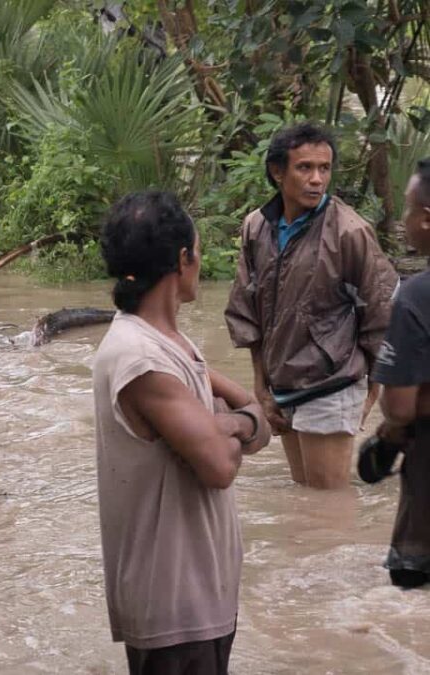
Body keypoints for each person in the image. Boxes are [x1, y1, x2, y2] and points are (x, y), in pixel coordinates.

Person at [93, 191, 269, 675]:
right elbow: (220, 466)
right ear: (181, 260)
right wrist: (239, 425)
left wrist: (230, 422)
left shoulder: (173, 343)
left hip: (200, 593)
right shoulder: (141, 357)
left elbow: (258, 422)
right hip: (174, 603)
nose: (201, 258)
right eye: (197, 248)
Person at [225, 122, 398, 489]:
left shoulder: (350, 232)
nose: (317, 179)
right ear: (277, 171)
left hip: (332, 384)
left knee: (328, 505)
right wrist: (260, 386)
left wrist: (373, 391)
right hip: (282, 386)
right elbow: (247, 310)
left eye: (325, 168)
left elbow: (381, 313)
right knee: (306, 499)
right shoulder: (256, 228)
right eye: (305, 168)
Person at [370, 158, 430, 589]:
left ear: (426, 219)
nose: (404, 220)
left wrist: (387, 440)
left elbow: (400, 407)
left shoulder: (415, 297)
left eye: (408, 209)